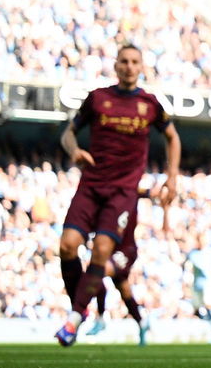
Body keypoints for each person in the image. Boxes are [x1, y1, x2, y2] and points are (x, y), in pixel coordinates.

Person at [55, 44, 180, 346]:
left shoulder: (150, 104)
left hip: (123, 191)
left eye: (134, 61)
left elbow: (172, 137)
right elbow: (67, 133)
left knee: (101, 251)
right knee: (67, 246)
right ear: (115, 65)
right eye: (123, 61)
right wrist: (75, 151)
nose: (128, 66)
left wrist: (172, 178)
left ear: (141, 67)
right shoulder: (98, 98)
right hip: (91, 184)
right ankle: (80, 308)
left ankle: (73, 319)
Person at [84, 187, 154, 345]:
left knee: (97, 272)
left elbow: (150, 191)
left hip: (125, 250)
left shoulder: (130, 190)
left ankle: (101, 318)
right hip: (110, 249)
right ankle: (142, 323)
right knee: (124, 290)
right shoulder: (105, 196)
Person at [185, 233, 211, 341]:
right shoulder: (192, 253)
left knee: (208, 303)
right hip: (197, 285)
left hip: (209, 283)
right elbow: (188, 267)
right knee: (199, 308)